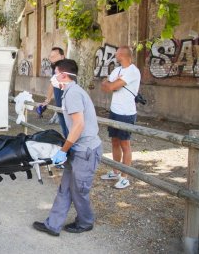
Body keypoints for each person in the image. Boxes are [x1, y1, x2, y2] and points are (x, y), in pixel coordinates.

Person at [33, 59, 102, 236]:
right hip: (77, 148)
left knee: (79, 190)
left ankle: (86, 222)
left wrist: (63, 150)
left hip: (85, 151)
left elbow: (78, 125)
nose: (53, 78)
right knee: (65, 187)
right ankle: (53, 225)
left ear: (63, 75)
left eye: (55, 74)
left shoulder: (72, 93)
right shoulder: (70, 92)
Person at [100, 46, 141, 189]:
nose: (115, 55)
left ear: (122, 55)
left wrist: (112, 84)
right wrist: (110, 84)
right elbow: (105, 86)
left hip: (126, 113)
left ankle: (125, 177)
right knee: (114, 142)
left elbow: (111, 87)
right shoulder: (117, 70)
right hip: (114, 111)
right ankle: (116, 171)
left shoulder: (133, 71)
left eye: (116, 53)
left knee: (125, 144)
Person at [40, 47, 69, 138]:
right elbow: (52, 84)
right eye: (50, 56)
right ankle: (68, 150)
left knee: (70, 131)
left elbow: (52, 83)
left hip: (68, 105)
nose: (51, 58)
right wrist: (47, 99)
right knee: (65, 130)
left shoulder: (66, 67)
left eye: (54, 56)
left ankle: (72, 150)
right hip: (59, 104)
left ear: (62, 56)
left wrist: (47, 100)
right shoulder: (56, 67)